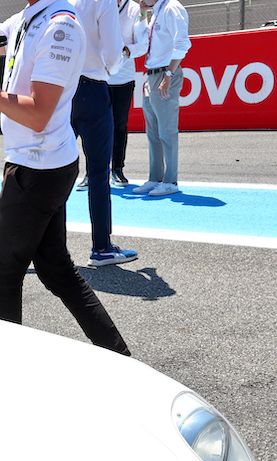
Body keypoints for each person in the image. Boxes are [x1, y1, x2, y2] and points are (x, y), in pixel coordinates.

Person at [0, 3, 131, 355]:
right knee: (55, 269)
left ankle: (10, 370)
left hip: (39, 167)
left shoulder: (60, 28)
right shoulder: (26, 18)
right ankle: (119, 355)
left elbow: (38, 115)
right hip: (36, 163)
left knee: (2, 272)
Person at [69, 0, 137, 267]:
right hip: (92, 88)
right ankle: (101, 247)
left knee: (49, 169)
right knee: (99, 173)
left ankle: (35, 247)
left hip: (61, 89)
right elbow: (112, 54)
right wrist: (113, 66)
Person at [126, 0, 190, 196]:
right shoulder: (157, 11)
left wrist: (168, 76)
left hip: (164, 74)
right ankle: (156, 178)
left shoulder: (172, 8)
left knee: (167, 131)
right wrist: (143, 13)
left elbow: (183, 43)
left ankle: (170, 181)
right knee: (153, 132)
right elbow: (144, 42)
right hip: (152, 74)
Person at [107, 0, 140, 187]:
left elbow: (142, 44)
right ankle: (93, 172)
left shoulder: (134, 8)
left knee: (119, 125)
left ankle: (117, 169)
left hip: (123, 78)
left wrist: (126, 50)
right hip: (99, 77)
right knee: (96, 127)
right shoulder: (99, 5)